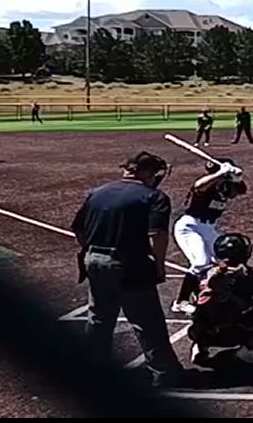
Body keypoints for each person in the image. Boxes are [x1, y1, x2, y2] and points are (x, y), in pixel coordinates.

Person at [71, 152, 184, 387]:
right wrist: (159, 265)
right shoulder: (154, 197)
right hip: (130, 263)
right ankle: (164, 372)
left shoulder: (98, 193)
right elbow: (157, 235)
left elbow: (79, 229)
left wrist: (92, 253)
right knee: (147, 320)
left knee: (99, 318)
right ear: (147, 173)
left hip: (95, 260)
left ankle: (93, 369)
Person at [187, 233, 253, 366]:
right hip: (229, 334)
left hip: (197, 332)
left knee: (207, 316)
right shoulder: (244, 277)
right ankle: (247, 351)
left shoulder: (203, 274)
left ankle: (200, 347)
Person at [170, 159, 247, 314]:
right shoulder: (208, 184)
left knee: (225, 258)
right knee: (200, 262)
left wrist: (237, 177)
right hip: (190, 227)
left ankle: (214, 292)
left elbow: (241, 190)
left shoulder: (225, 186)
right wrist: (221, 173)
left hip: (208, 228)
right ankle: (180, 302)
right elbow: (198, 185)